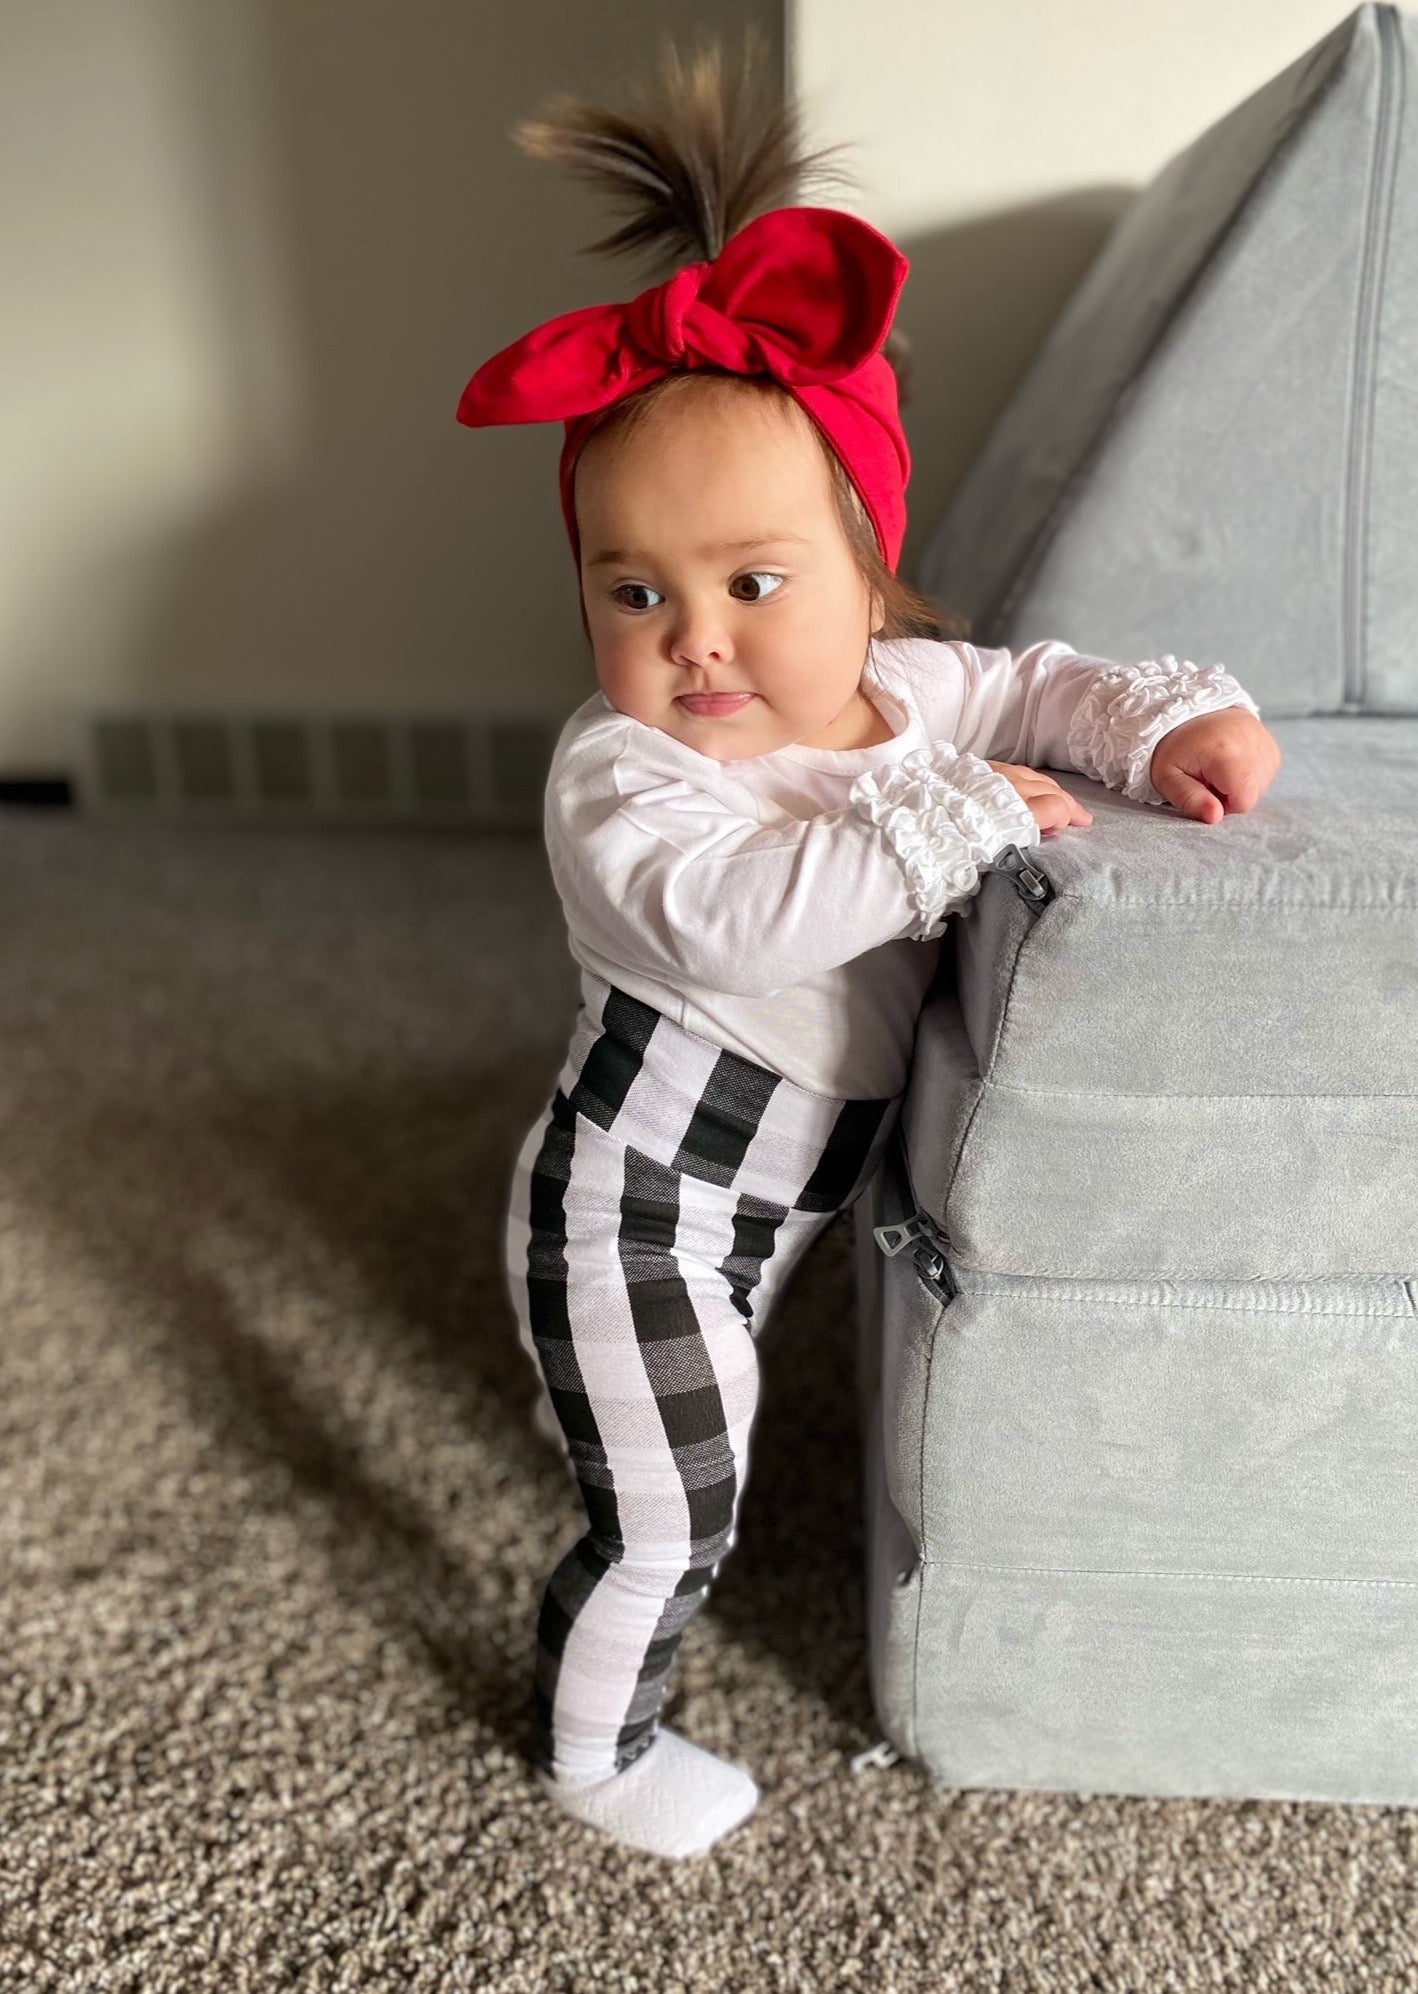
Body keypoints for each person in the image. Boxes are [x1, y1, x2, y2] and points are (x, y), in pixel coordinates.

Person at [457, 33, 1283, 1862]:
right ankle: (595, 1741)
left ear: (863, 562)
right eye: (631, 589)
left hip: (783, 1206)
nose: (694, 641)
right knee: (675, 1517)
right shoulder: (623, 781)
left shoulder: (910, 693)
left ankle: (606, 1400)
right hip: (642, 1200)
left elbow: (1035, 683)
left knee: (710, 1421)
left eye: (752, 581)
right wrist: (951, 820)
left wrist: (1153, 732)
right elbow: (731, 915)